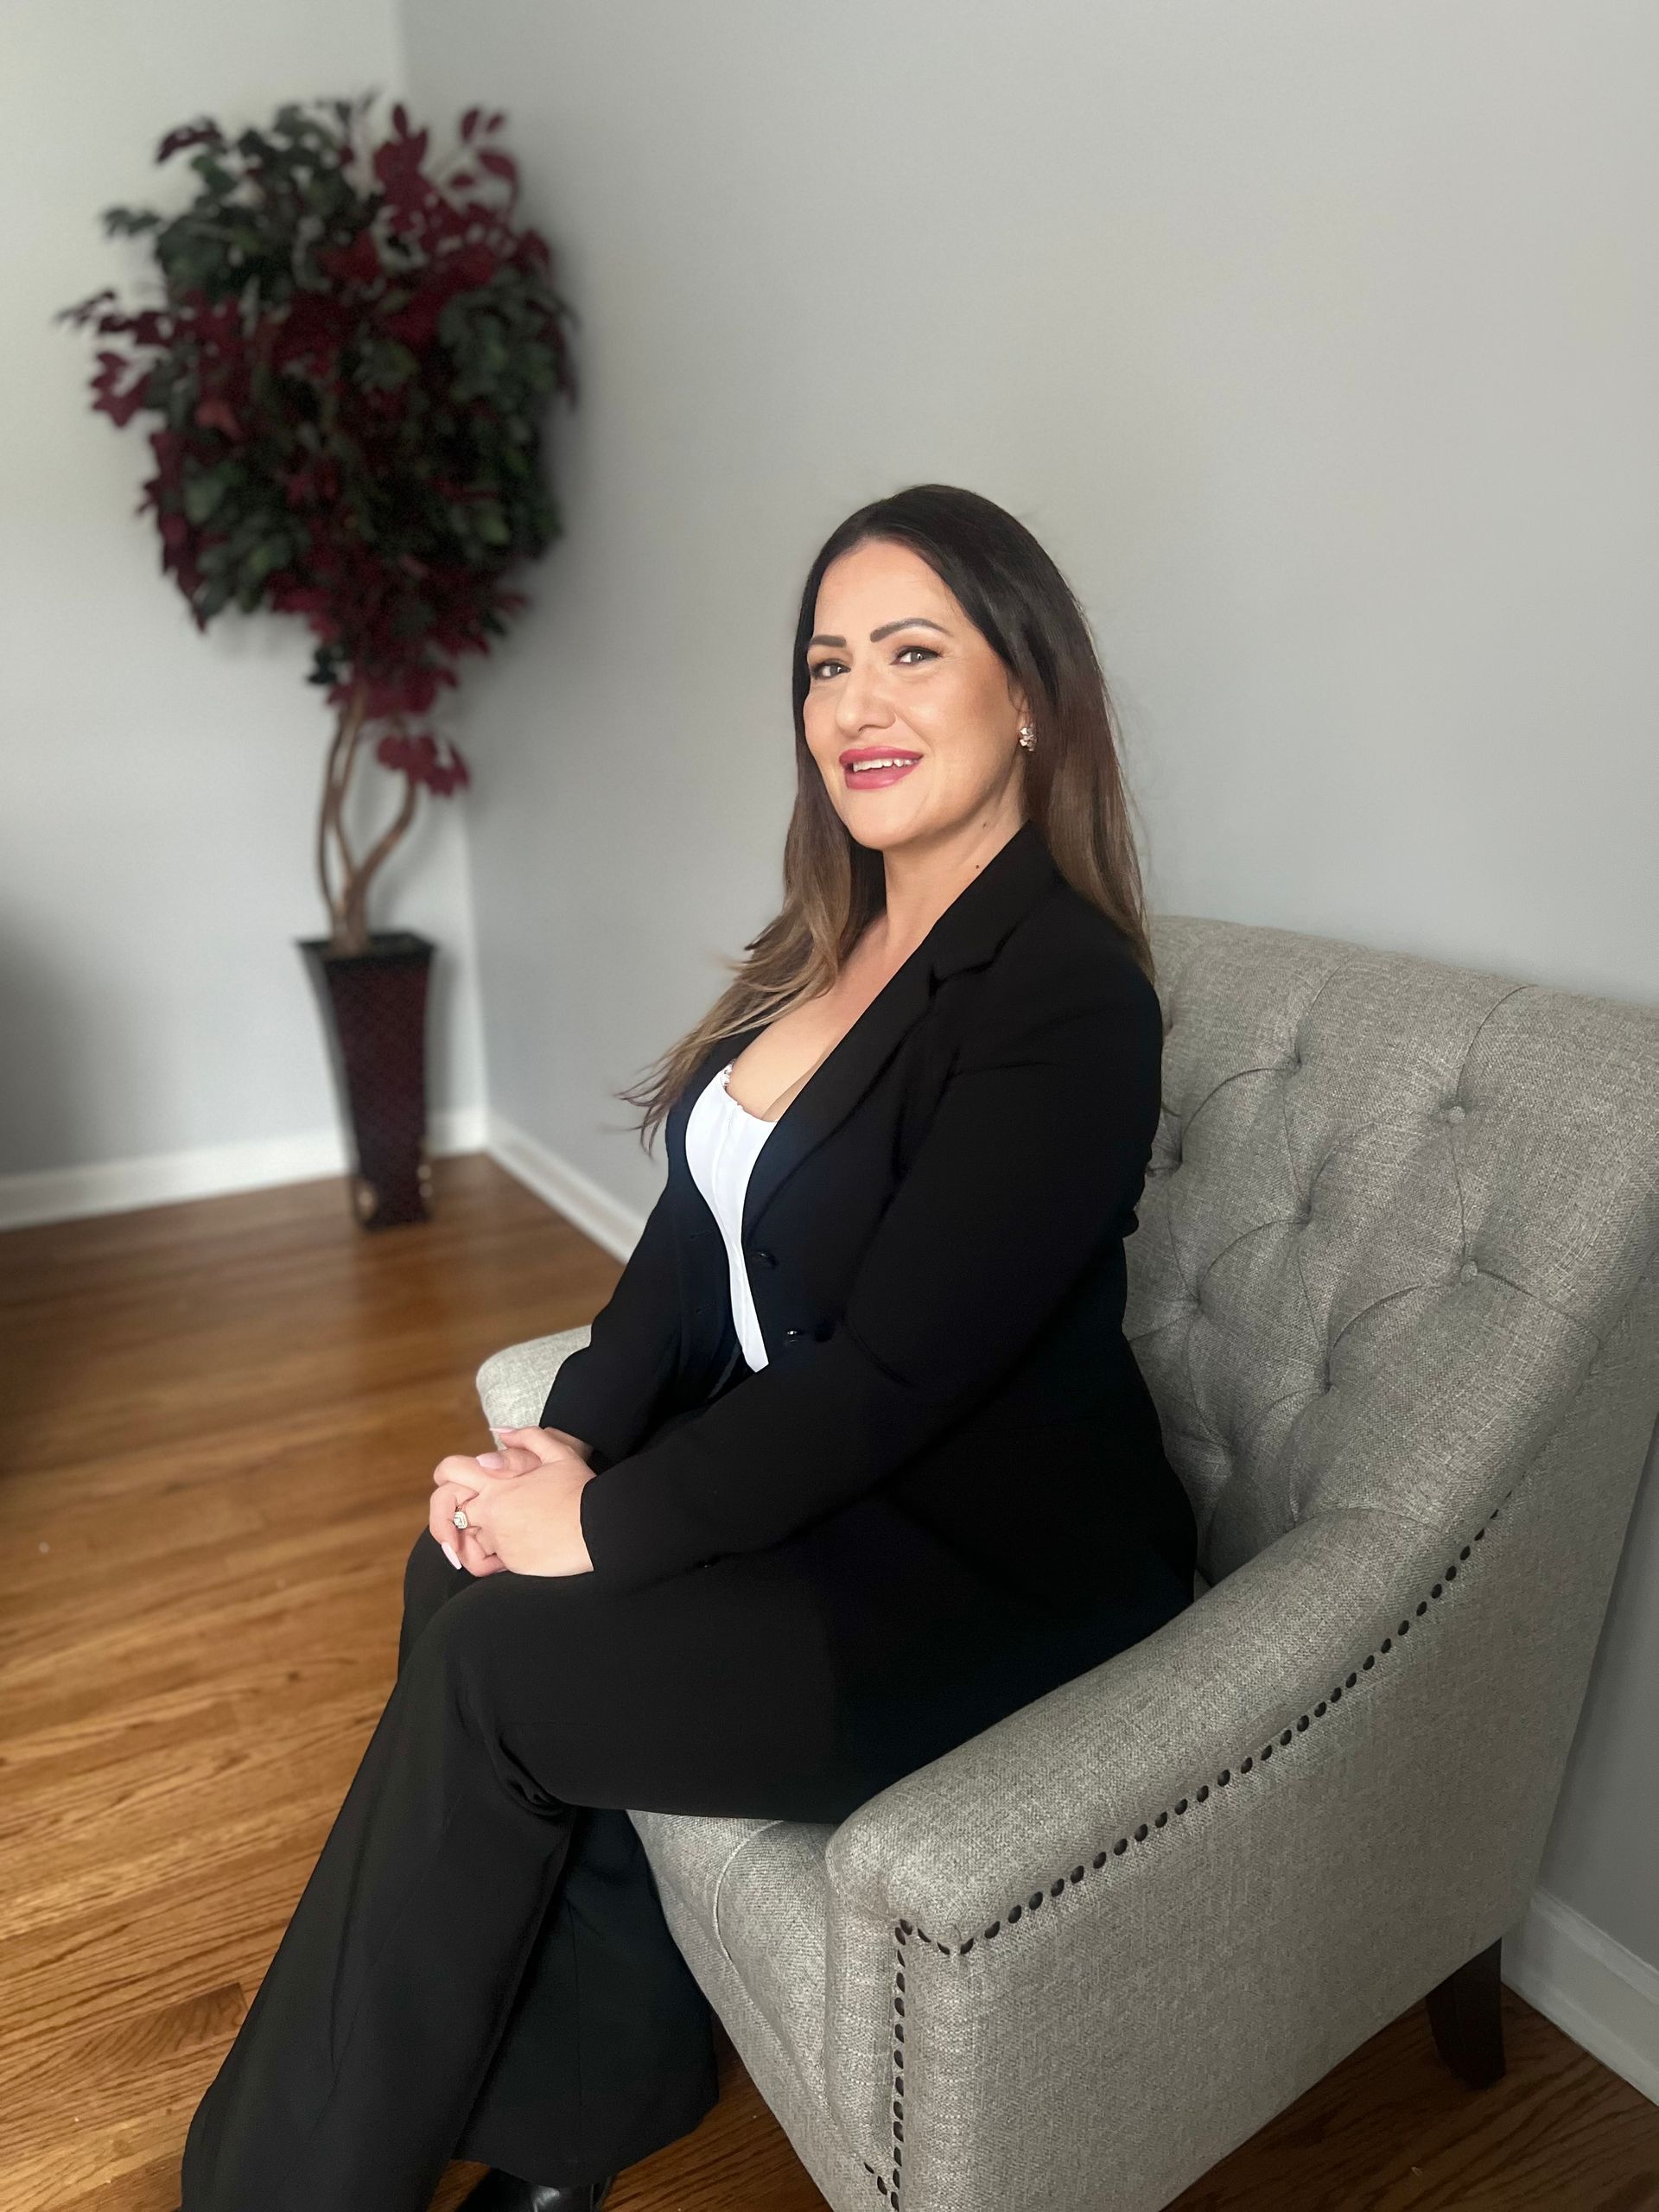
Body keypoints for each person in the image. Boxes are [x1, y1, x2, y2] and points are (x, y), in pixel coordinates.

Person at [175, 482, 1199, 2212]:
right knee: (456, 1572)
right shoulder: (830, 939)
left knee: (509, 1667)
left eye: (911, 653)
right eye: (825, 664)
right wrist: (561, 1448)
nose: (858, 704)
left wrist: (619, 1528)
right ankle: (593, 2111)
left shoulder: (1064, 995)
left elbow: (892, 1381)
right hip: (827, 1495)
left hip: (981, 1576)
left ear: (1027, 693)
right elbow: (680, 1245)